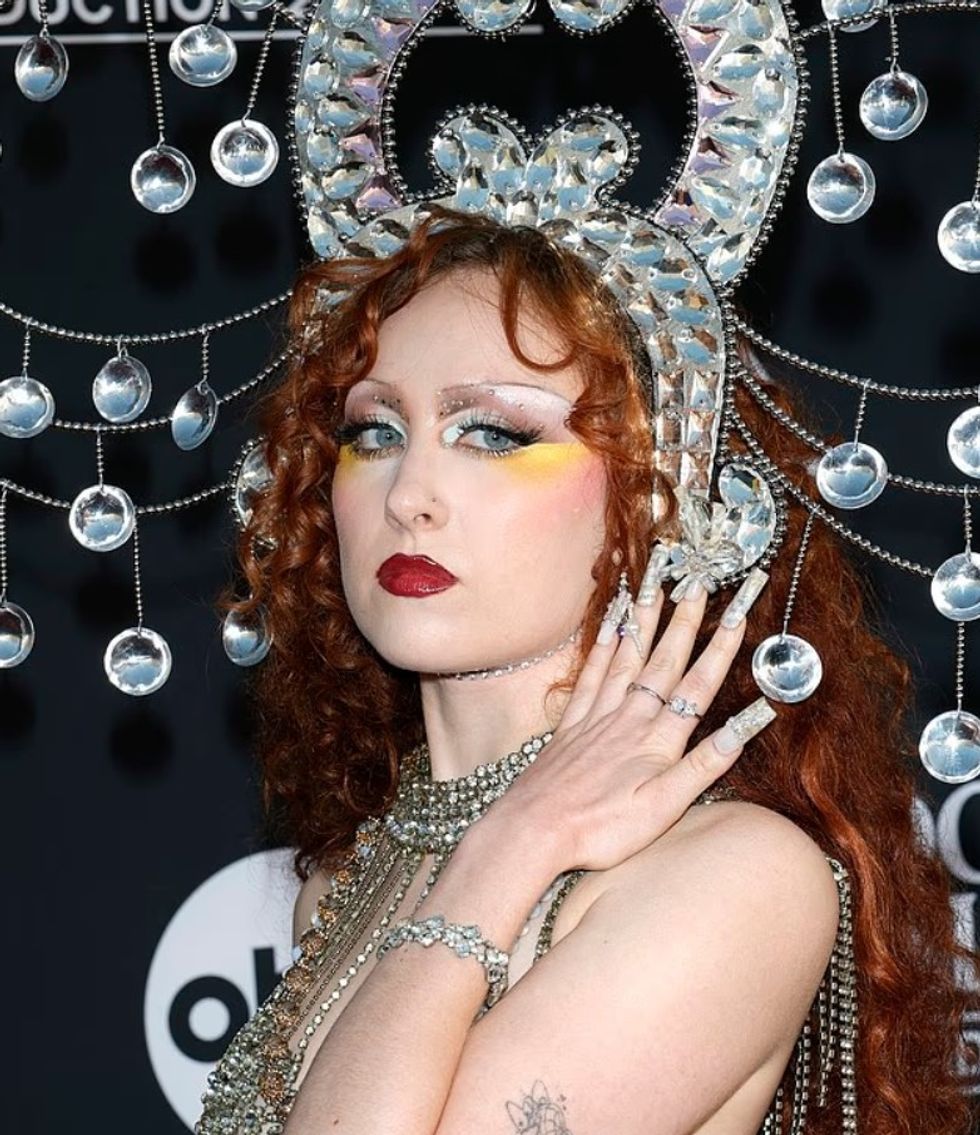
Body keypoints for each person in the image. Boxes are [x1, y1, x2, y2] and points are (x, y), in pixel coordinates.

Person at [200, 206, 979, 1135]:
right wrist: (506, 844)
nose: (409, 495)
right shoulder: (345, 886)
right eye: (373, 432)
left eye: (494, 434)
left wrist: (507, 848)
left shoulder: (735, 877)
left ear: (652, 494)